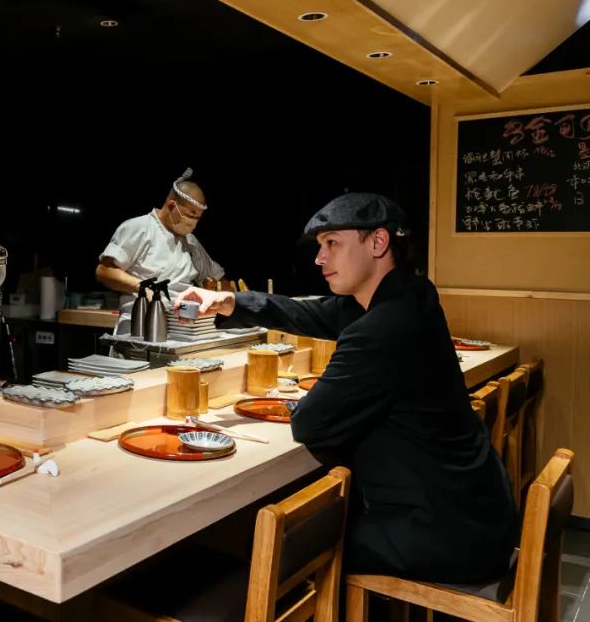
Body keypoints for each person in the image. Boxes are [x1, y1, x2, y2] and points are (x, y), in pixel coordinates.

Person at [175, 192, 518, 583]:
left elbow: (310, 423)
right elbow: (310, 312)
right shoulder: (412, 295)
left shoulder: (383, 327)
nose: (319, 258)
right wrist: (229, 301)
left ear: (378, 242)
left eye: (333, 243)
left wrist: (311, 399)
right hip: (475, 509)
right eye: (321, 246)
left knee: (268, 542)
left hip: (443, 532)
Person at [96, 168, 225, 334]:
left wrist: (232, 301)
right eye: (190, 215)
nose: (193, 222)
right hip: (140, 321)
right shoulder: (139, 228)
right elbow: (104, 271)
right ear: (171, 206)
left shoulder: (191, 241)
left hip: (183, 324)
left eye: (197, 218)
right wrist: (143, 288)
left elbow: (217, 279)